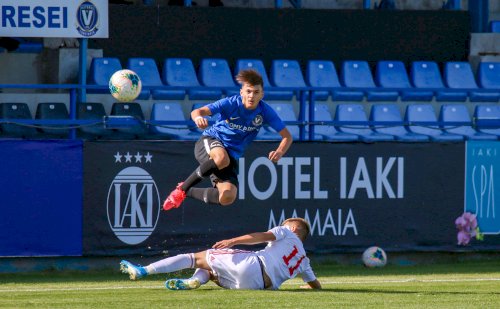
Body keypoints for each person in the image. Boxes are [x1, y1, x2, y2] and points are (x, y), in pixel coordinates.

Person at [162, 69, 293, 211]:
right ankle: (181, 190)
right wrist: (199, 118)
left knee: (227, 196)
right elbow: (197, 112)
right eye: (248, 91)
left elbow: (287, 136)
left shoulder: (265, 111)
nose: (251, 96)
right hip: (211, 140)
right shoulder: (230, 103)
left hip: (230, 155)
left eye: (256, 92)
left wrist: (280, 152)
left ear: (262, 94)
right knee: (222, 158)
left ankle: (187, 191)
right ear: (241, 92)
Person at [120, 217, 322, 290]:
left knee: (197, 257)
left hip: (254, 265)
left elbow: (261, 236)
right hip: (257, 286)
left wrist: (233, 241)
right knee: (210, 271)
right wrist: (306, 286)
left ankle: (143, 270)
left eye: (286, 224)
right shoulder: (304, 261)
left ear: (294, 229)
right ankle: (195, 282)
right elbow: (316, 285)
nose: (282, 226)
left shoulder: (286, 232)